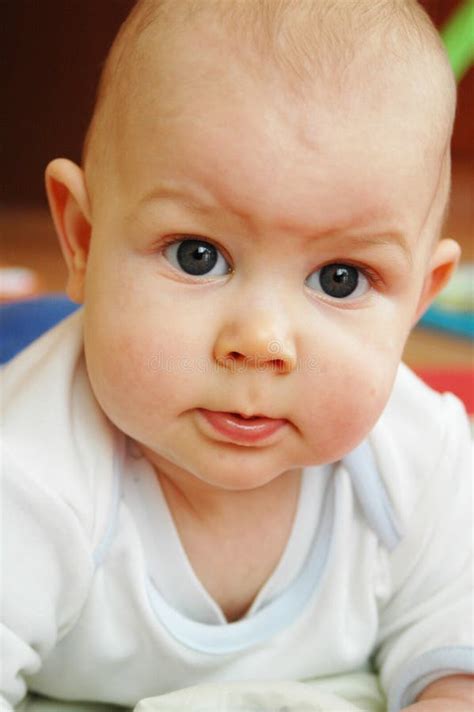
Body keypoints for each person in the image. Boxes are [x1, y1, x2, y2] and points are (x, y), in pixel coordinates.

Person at [2, 1, 473, 710]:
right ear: (83, 238)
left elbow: (456, 660)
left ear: (416, 300)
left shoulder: (422, 460)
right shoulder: (28, 475)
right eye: (198, 257)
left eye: (340, 278)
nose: (261, 341)